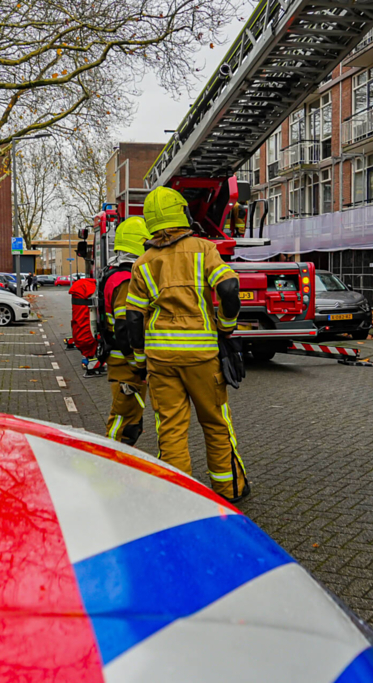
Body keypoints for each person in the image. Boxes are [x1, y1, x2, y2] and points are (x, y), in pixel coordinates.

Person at [126, 187, 248, 503]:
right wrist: (226, 326)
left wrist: (140, 360)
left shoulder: (142, 262)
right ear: (182, 213)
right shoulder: (204, 249)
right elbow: (230, 288)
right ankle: (229, 489)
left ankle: (179, 497)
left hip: (160, 360)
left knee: (170, 430)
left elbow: (134, 319)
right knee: (216, 424)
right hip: (202, 357)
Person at [99, 216, 152, 446]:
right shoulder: (126, 280)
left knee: (129, 420)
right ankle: (111, 466)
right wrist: (136, 362)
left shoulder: (114, 274)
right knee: (124, 423)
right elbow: (125, 326)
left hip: (120, 360)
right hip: (126, 364)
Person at [68, 276, 102, 376]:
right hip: (86, 328)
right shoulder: (85, 287)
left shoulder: (80, 288)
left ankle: (90, 359)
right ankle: (92, 361)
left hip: (83, 327)